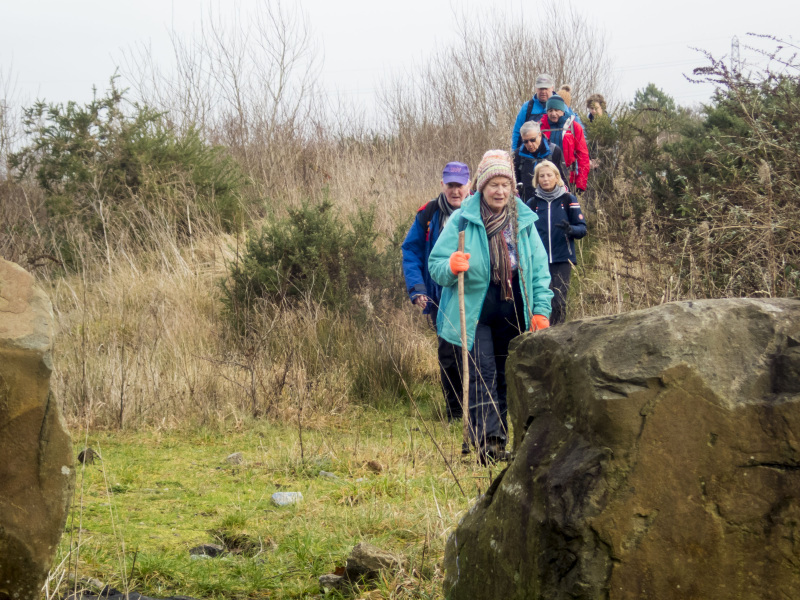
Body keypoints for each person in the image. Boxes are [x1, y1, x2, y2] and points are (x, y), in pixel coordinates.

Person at [428, 150, 553, 464]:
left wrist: (541, 310)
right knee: (482, 374)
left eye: (505, 185)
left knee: (504, 377)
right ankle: (490, 445)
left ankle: (501, 439)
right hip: (475, 310)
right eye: (493, 184)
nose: (499, 191)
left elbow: (539, 269)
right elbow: (435, 264)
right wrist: (452, 265)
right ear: (482, 186)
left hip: (513, 308)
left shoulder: (522, 220)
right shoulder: (463, 218)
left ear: (512, 188)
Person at [401, 162, 471, 424]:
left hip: (472, 295)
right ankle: (454, 413)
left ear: (469, 185)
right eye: (450, 185)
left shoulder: (478, 210)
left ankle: (477, 409)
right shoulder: (428, 213)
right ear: (442, 185)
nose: (455, 190)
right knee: (448, 354)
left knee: (476, 353)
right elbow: (411, 251)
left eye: (460, 185)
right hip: (439, 296)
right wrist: (417, 289)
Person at [526, 160, 587, 326]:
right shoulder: (532, 203)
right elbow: (523, 231)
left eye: (549, 175)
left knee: (559, 302)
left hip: (562, 259)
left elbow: (582, 229)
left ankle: (558, 336)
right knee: (541, 302)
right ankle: (540, 335)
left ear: (557, 177)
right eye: (541, 176)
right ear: (537, 180)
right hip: (539, 261)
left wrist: (570, 230)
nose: (545, 179)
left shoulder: (568, 200)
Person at [511, 74, 583, 152]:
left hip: (558, 155)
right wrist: (514, 154)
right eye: (540, 88)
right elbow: (517, 132)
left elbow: (577, 130)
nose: (543, 92)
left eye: (546, 88)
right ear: (536, 89)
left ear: (552, 88)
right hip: (532, 155)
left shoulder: (562, 105)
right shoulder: (527, 107)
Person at [540, 95, 590, 194]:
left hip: (568, 178)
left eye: (556, 110)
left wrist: (581, 184)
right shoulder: (540, 127)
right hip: (545, 179)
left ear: (563, 110)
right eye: (550, 110)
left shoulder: (574, 127)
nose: (553, 114)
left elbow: (583, 155)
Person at [513, 120, 569, 204]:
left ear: (539, 135)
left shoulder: (554, 151)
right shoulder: (518, 155)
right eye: (525, 141)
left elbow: (563, 178)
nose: (529, 144)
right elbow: (514, 181)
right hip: (526, 203)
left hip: (551, 202)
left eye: (532, 140)